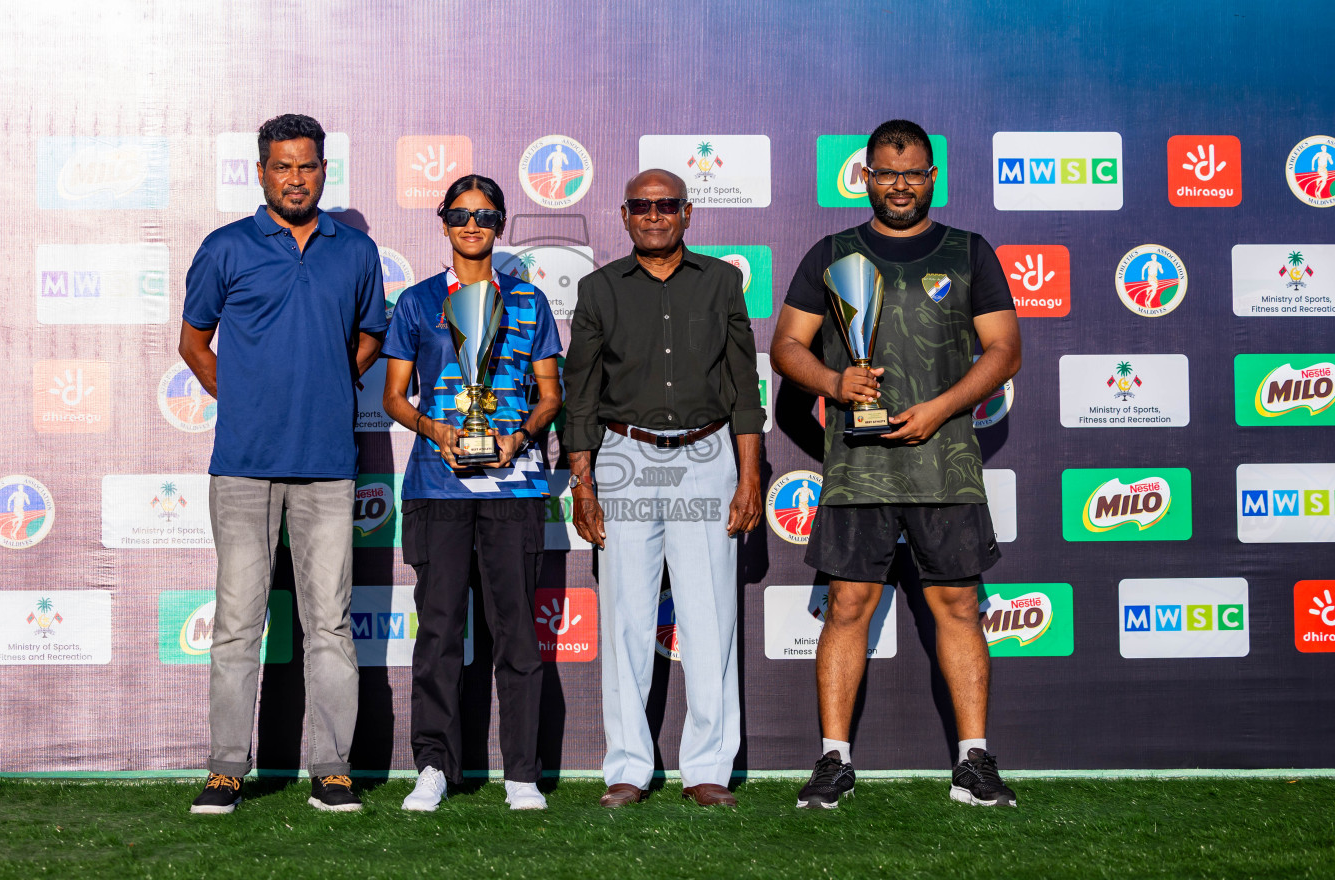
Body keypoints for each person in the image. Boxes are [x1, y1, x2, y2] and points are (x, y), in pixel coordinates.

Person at [770, 119, 1022, 811]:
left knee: (959, 605)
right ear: (866, 177)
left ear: (933, 176)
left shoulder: (969, 251)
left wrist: (941, 408)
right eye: (886, 173)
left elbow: (1004, 351)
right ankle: (833, 761)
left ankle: (974, 762)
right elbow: (787, 345)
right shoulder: (833, 252)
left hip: (947, 465)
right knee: (847, 605)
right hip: (859, 467)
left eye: (912, 174)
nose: (900, 186)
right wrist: (831, 384)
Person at [178, 114, 386, 815]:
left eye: (308, 166)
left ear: (324, 170)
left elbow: (366, 340)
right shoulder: (225, 247)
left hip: (329, 467)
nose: (296, 178)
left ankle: (331, 767)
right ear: (260, 171)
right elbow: (193, 342)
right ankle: (226, 769)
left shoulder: (355, 251)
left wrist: (324, 384)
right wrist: (243, 396)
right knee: (239, 623)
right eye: (282, 166)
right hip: (242, 467)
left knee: (328, 624)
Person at [563, 168, 764, 808]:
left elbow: (744, 389)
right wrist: (584, 484)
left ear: (688, 212)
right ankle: (627, 767)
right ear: (624, 216)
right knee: (625, 615)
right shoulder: (598, 290)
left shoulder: (723, 282)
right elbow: (581, 396)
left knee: (710, 617)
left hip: (708, 454)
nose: (655, 215)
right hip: (623, 453)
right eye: (642, 206)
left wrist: (750, 474)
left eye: (667, 205)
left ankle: (708, 769)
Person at [381, 174, 563, 812]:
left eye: (484, 215)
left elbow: (550, 396)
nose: (472, 225)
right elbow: (395, 397)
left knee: (516, 635)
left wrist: (519, 434)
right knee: (437, 632)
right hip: (439, 487)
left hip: (514, 488)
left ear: (501, 223)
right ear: (444, 222)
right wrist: (434, 428)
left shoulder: (530, 302)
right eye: (460, 214)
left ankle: (521, 773)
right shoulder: (416, 302)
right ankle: (433, 765)